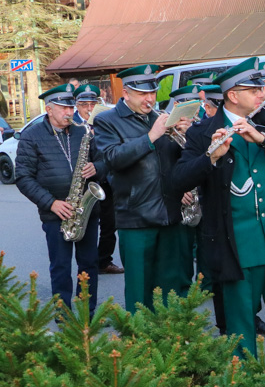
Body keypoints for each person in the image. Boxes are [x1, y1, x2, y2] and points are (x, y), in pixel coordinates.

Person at [174, 58, 265, 358]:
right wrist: (211, 156)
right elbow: (178, 179)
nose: (263, 93)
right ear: (233, 95)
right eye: (254, 89)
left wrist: (261, 138)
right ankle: (245, 381)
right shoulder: (201, 132)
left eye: (263, 88)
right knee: (240, 316)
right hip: (235, 243)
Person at [93, 64, 195, 313]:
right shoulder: (106, 120)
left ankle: (173, 342)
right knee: (140, 290)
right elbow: (112, 159)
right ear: (126, 93)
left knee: (171, 285)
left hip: (170, 214)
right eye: (142, 94)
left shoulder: (158, 117)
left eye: (153, 93)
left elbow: (174, 163)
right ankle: (138, 345)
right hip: (135, 217)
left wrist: (187, 136)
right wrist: (151, 137)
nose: (150, 99)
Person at [15, 84, 103, 315]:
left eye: (71, 107)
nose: (69, 113)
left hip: (85, 211)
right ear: (49, 109)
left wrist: (97, 167)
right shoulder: (31, 136)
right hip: (55, 213)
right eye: (64, 108)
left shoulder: (83, 131)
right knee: (61, 266)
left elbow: (105, 162)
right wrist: (51, 203)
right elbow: (23, 177)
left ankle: (87, 313)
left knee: (89, 264)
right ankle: (63, 316)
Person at [73, 84, 124, 276]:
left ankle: (104, 261)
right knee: (86, 225)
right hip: (84, 183)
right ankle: (86, 265)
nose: (88, 108)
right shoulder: (73, 125)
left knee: (110, 224)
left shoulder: (104, 122)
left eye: (92, 104)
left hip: (106, 181)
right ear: (76, 105)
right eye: (84, 104)